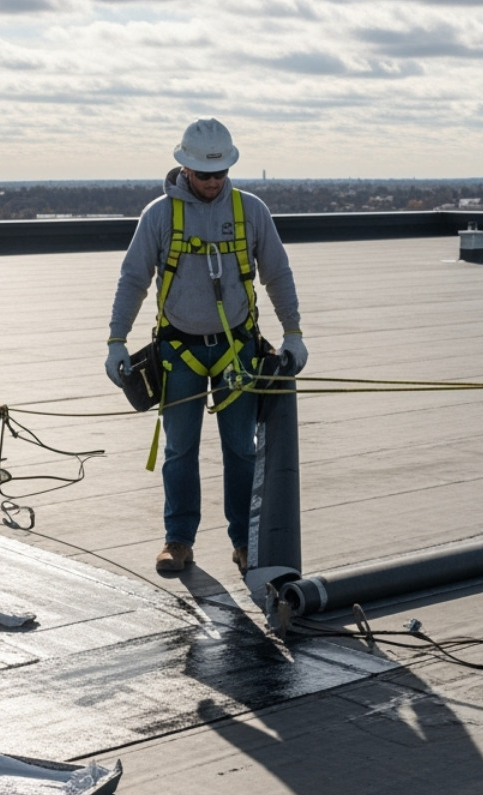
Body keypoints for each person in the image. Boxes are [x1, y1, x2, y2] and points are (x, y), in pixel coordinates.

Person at [105, 117, 305, 575]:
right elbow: (133, 279)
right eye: (204, 175)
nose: (213, 183)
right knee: (180, 449)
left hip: (237, 347)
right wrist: (117, 340)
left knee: (240, 448)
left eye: (220, 174)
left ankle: (243, 540)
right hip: (181, 353)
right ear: (185, 168)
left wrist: (292, 331)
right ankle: (178, 540)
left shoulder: (250, 211)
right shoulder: (159, 215)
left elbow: (277, 272)